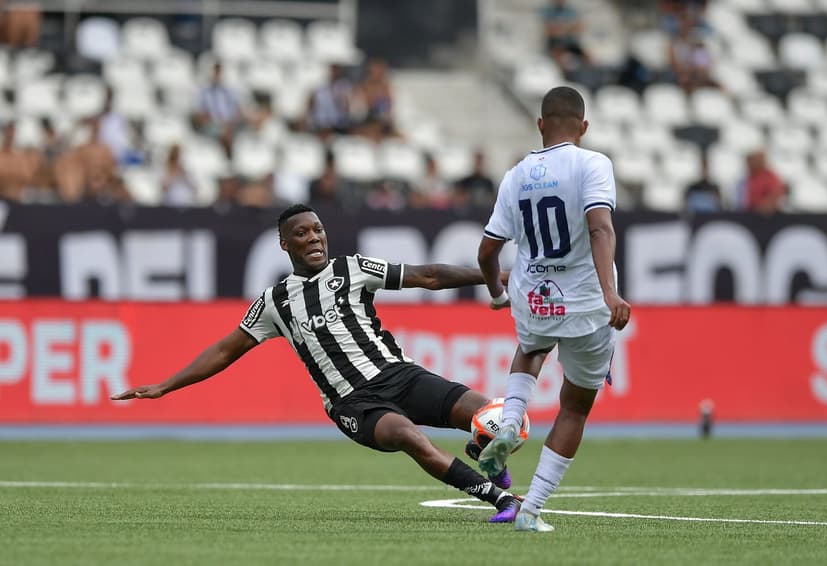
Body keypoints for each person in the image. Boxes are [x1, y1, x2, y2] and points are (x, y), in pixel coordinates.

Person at [111, 203, 521, 523]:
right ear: (284, 244)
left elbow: (428, 276)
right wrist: (166, 385)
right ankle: (498, 497)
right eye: (301, 233)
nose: (314, 238)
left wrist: (496, 278)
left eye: (318, 230)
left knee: (495, 416)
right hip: (355, 403)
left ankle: (487, 451)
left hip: (401, 375)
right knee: (409, 437)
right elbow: (225, 349)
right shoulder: (275, 302)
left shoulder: (354, 269)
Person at [475, 86, 631, 532]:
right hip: (585, 303)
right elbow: (600, 229)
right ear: (583, 127)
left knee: (531, 346)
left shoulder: (516, 174)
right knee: (574, 408)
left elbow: (487, 253)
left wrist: (498, 295)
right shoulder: (593, 164)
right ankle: (532, 510)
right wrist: (610, 293)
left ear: (540, 125)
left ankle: (508, 423)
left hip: (533, 295)